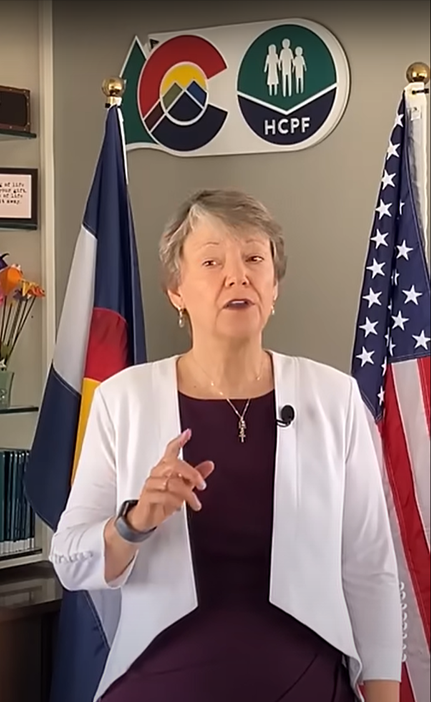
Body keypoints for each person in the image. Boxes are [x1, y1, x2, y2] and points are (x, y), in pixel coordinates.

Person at [50, 189, 403, 702]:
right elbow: (68, 558)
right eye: (212, 261)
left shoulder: (334, 398)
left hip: (306, 683)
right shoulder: (123, 399)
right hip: (159, 684)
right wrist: (134, 521)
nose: (237, 276)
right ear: (176, 290)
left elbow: (370, 568)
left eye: (254, 259)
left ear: (274, 284)